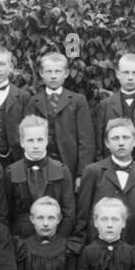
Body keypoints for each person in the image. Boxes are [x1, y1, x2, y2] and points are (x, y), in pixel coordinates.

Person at [76, 118, 135, 248]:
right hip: (97, 250)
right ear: (107, 143)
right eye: (115, 138)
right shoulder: (93, 172)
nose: (121, 143)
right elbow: (82, 218)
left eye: (126, 137)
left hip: (133, 250)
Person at [26, 51, 95, 187]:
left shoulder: (78, 101)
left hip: (70, 166)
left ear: (66, 73)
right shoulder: (33, 102)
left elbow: (86, 142)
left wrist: (81, 174)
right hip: (40, 166)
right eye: (49, 71)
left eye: (57, 71)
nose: (53, 76)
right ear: (41, 73)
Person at [6, 115, 77, 247]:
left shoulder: (61, 170)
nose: (36, 146)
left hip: (55, 240)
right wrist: (15, 241)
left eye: (40, 140)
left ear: (47, 141)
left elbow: (69, 213)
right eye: (30, 140)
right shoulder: (11, 172)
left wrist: (58, 240)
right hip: (22, 240)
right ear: (22, 142)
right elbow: (7, 213)